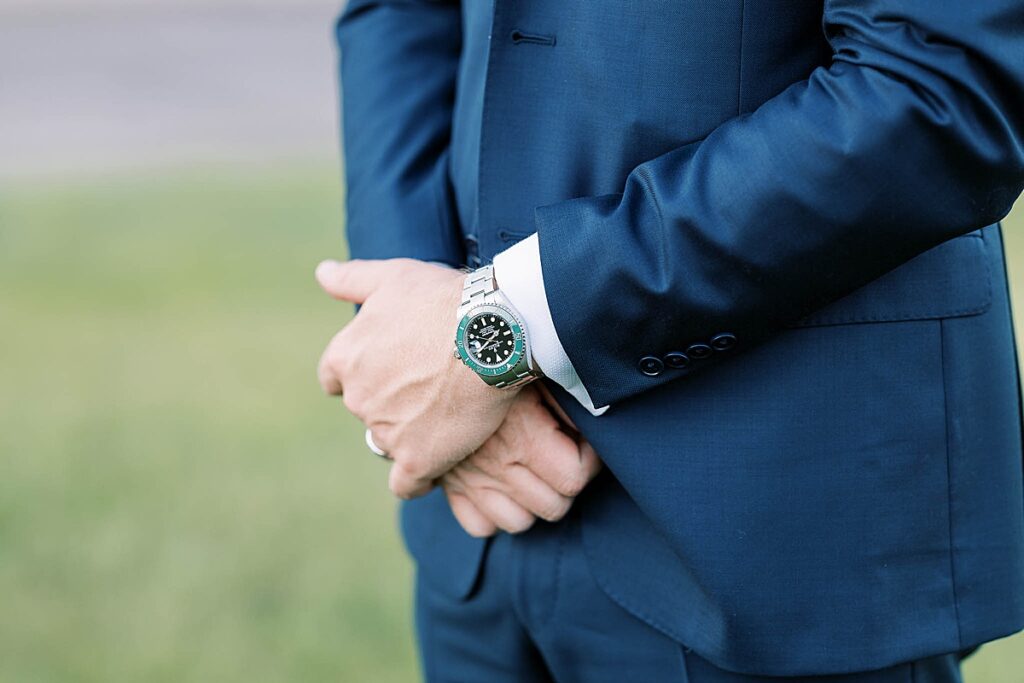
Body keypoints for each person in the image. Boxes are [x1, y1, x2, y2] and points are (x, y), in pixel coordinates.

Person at [317, 1, 1024, 681]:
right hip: (481, 522)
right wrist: (407, 312)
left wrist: (497, 331)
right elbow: (399, 10)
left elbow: (935, 87)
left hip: (783, 529)